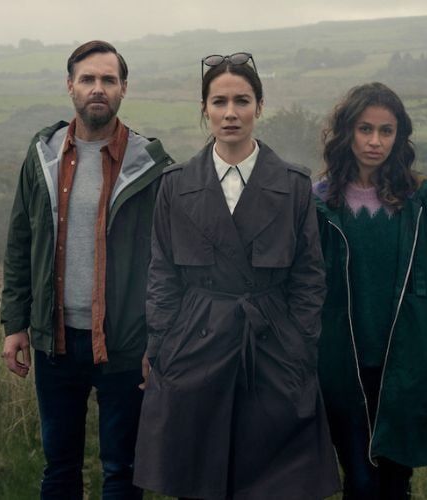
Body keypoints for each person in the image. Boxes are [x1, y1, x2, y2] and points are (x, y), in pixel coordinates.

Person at [133, 52, 340, 500]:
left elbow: (309, 276)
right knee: (198, 482)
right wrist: (161, 347)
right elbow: (162, 272)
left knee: (271, 485)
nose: (231, 113)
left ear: (259, 107)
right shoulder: (175, 184)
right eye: (219, 101)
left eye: (242, 101)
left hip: (271, 346)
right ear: (204, 109)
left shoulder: (294, 185)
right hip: (195, 345)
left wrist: (299, 346)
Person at [0, 40, 174, 499]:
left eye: (108, 80)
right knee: (59, 468)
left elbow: (167, 265)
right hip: (54, 340)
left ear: (123, 89)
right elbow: (20, 241)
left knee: (122, 470)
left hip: (124, 342)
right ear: (70, 86)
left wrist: (158, 340)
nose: (98, 88)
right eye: (88, 79)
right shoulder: (42, 156)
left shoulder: (150, 166)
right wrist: (15, 323)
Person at [313, 82, 427, 499]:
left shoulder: (423, 200)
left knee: (395, 483)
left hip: (408, 370)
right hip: (341, 370)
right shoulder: (317, 202)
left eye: (386, 131)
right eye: (365, 129)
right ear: (346, 132)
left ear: (399, 136)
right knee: (359, 479)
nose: (375, 141)